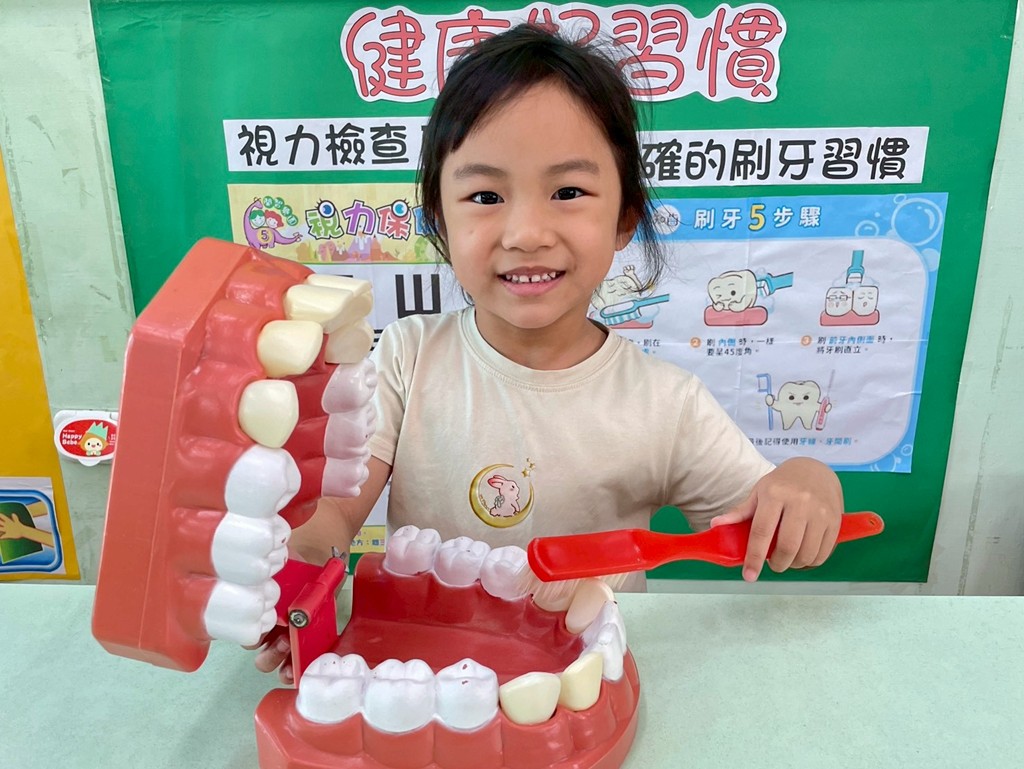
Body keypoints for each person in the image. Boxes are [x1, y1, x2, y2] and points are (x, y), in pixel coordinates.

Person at [256, 24, 843, 680]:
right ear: (439, 220)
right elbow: (334, 512)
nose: (527, 233)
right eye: (485, 196)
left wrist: (807, 481)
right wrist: (298, 576)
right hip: (422, 682)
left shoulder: (665, 402)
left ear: (625, 218)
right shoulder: (406, 357)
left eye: (568, 192)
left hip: (585, 688)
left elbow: (763, 511)